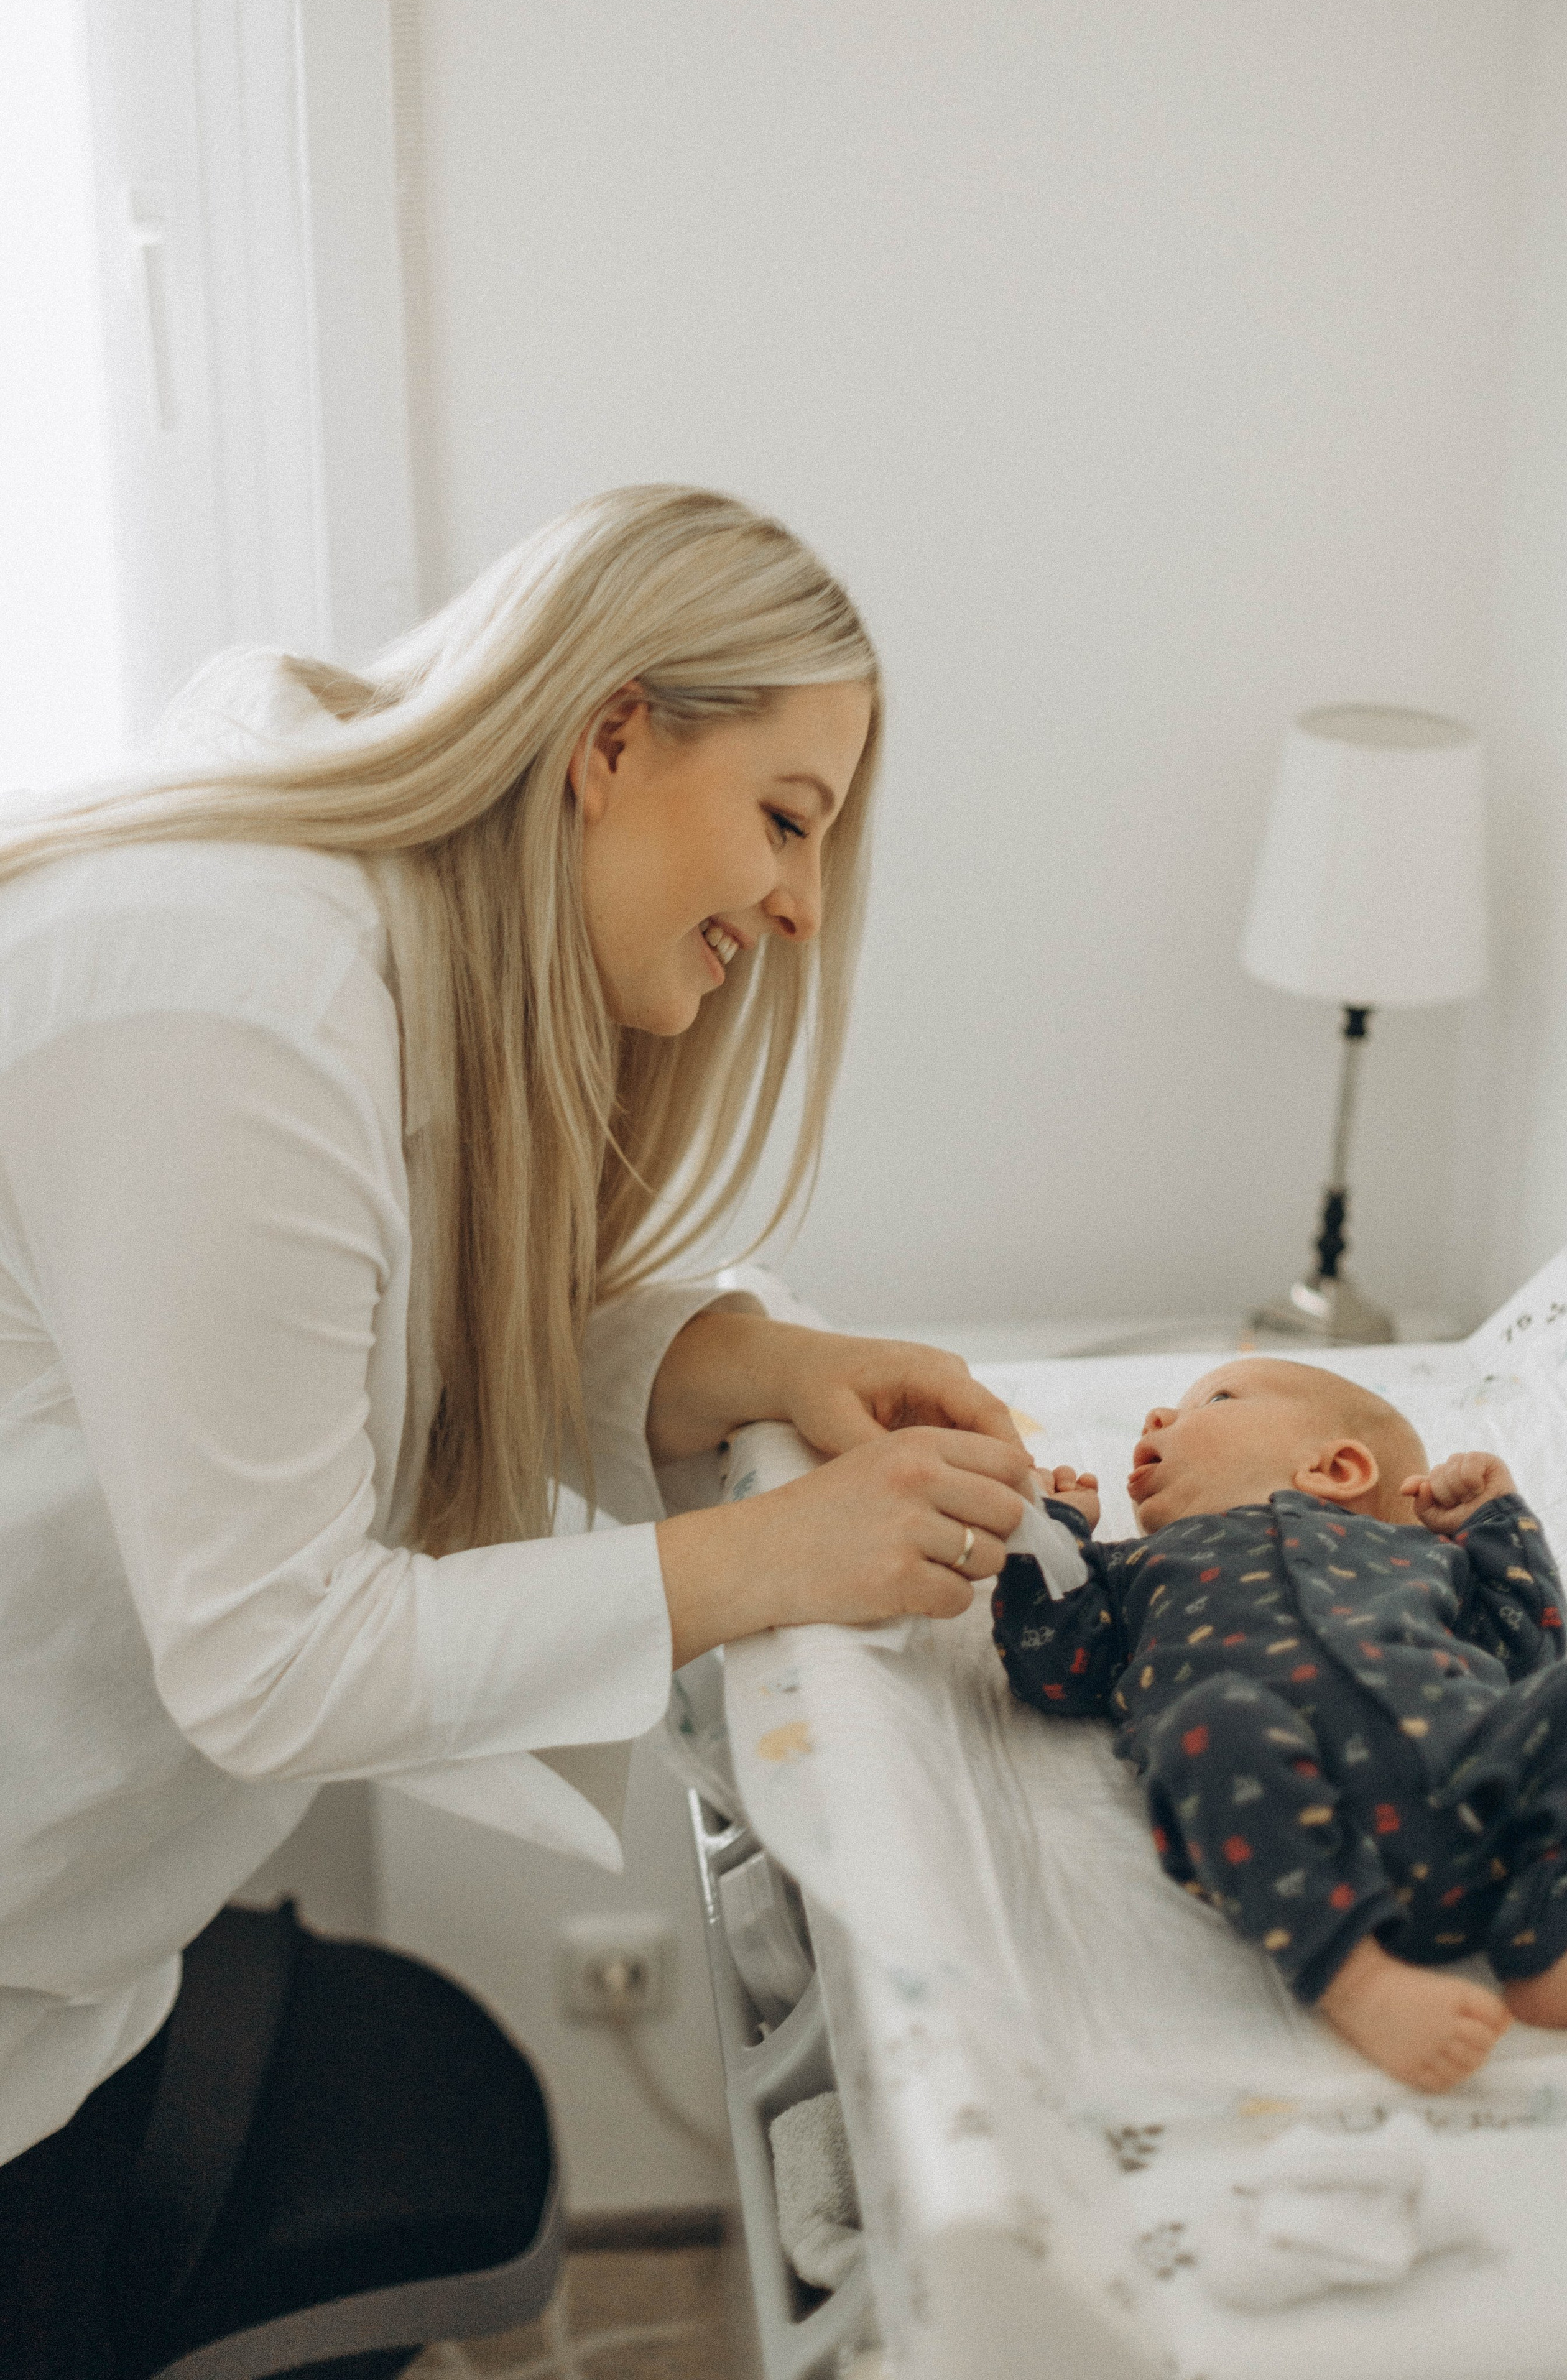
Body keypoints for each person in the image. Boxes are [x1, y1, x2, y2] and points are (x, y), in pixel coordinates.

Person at [0, 486, 1035, 2374]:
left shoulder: (361, 961)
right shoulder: (235, 994)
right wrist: (755, 1557)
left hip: (66, 1949)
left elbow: (379, 1314)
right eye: (786, 819)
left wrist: (724, 1361)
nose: (804, 905)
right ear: (613, 735)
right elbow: (270, 1656)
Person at [991, 1355, 1567, 2093]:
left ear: (1335, 1468)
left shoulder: (1424, 1554)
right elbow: (1047, 1661)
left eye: (1213, 1398)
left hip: (1477, 1777)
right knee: (1207, 1726)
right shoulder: (1131, 1567)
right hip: (1291, 1816)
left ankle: (1556, 1928)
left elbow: (1526, 1646)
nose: (1155, 1420)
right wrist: (1053, 1532)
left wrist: (1493, 1520)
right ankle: (1359, 1980)